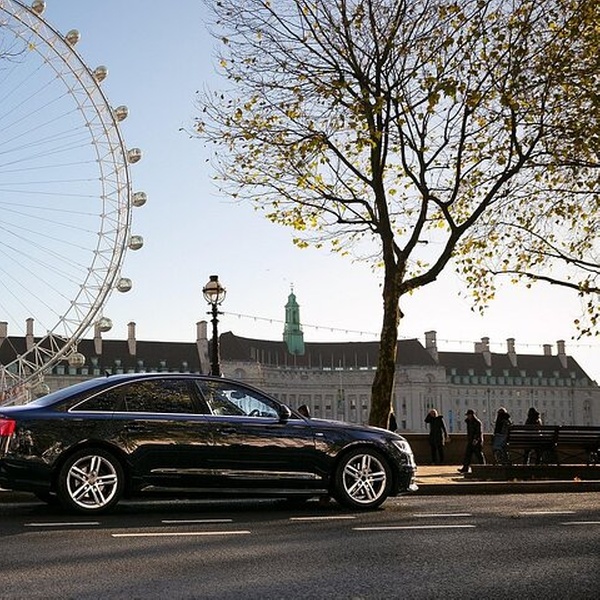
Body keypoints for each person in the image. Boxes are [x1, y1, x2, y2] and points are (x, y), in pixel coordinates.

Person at [458, 409, 486, 473]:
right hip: (470, 441)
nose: (468, 416)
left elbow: (478, 432)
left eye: (469, 415)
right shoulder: (469, 422)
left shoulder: (477, 422)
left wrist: (476, 439)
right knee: (468, 455)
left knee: (479, 455)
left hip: (477, 441)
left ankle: (483, 467)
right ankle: (465, 468)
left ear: (472, 415)